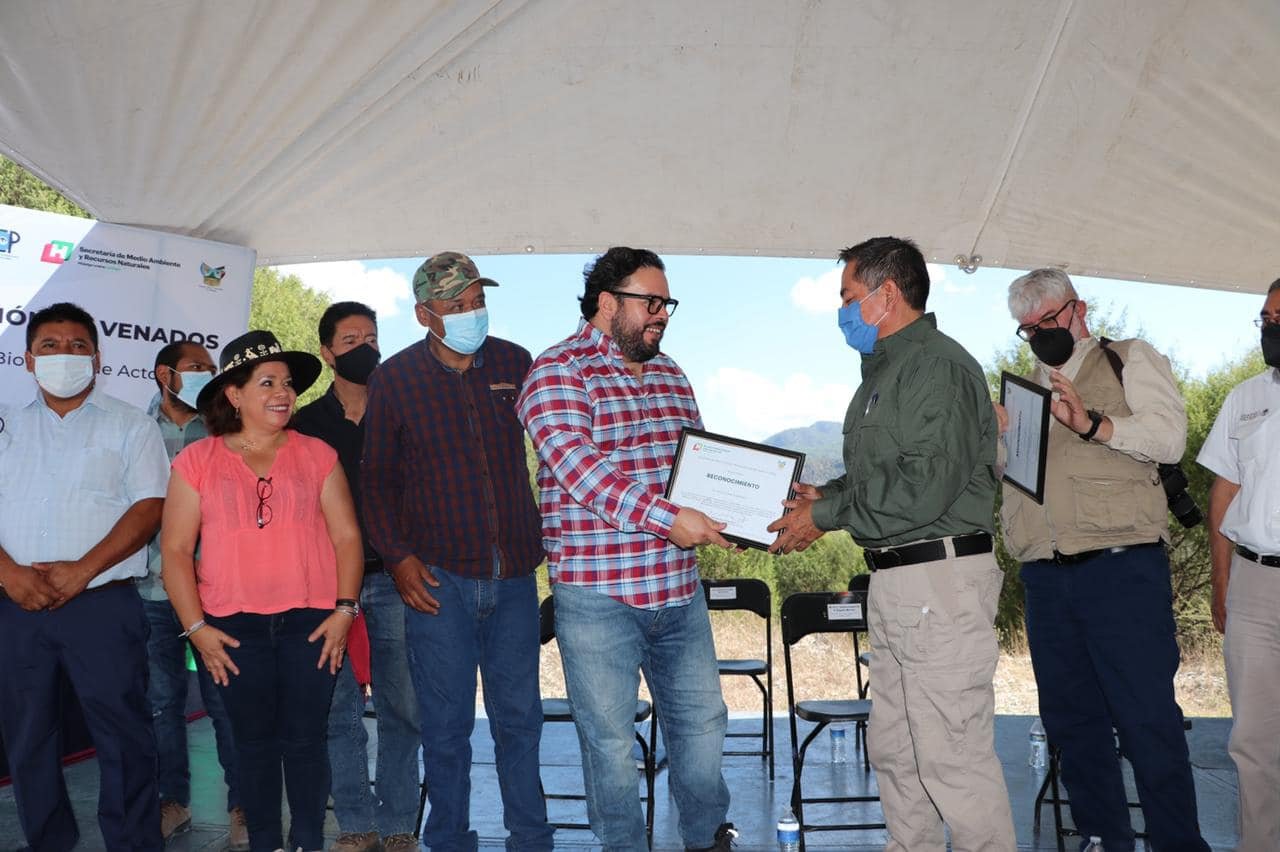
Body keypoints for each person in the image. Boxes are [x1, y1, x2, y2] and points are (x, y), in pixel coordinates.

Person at [768, 237, 1015, 851]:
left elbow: (924, 484)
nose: (843, 311)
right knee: (898, 756)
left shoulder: (937, 365)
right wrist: (822, 492)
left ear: (888, 294)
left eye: (849, 297)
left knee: (953, 763)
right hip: (901, 583)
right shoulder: (889, 368)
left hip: (941, 582)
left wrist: (826, 514)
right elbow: (888, 470)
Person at [518, 247, 738, 852]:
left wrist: (750, 510)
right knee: (610, 741)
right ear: (608, 303)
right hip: (597, 597)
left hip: (676, 589)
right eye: (650, 302)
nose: (662, 314)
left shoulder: (670, 373)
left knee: (702, 726)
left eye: (666, 303)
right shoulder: (557, 371)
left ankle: (705, 839)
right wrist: (670, 519)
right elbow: (580, 473)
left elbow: (700, 465)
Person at [997, 268, 1208, 851]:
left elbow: (1169, 439)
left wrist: (1091, 422)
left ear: (1078, 309)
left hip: (1120, 569)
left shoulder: (1129, 358)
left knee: (1146, 722)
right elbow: (1013, 473)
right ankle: (1102, 840)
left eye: (1048, 321)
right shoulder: (1022, 391)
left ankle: (1177, 845)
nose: (1040, 335)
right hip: (1044, 574)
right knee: (1073, 725)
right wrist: (991, 442)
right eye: (1026, 328)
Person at [362, 252, 553, 852]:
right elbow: (374, 482)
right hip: (437, 582)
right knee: (444, 730)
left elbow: (554, 444)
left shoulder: (515, 363)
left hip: (516, 579)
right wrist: (397, 558)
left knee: (520, 723)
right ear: (425, 314)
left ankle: (531, 840)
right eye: (456, 305)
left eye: (477, 302)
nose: (473, 314)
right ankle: (448, 840)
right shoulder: (393, 380)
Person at [160, 330, 364, 852]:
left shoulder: (317, 454)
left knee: (306, 743)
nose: (283, 393)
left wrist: (345, 610)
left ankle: (308, 843)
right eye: (267, 381)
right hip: (230, 630)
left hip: (313, 624)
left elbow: (346, 537)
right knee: (250, 746)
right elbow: (177, 553)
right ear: (234, 393)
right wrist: (197, 630)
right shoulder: (197, 461)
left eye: (288, 383)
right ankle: (266, 843)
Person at [0, 302, 169, 851]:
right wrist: (8, 574)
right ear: (28, 361)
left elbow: (149, 507)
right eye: (50, 346)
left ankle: (133, 843)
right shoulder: (5, 428)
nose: (64, 356)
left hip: (102, 604)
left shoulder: (132, 425)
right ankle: (48, 841)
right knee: (27, 738)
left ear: (98, 359)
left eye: (77, 346)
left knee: (123, 736)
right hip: (17, 605)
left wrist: (82, 571)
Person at [294, 302, 421, 852]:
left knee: (402, 707)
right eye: (349, 340)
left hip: (397, 579)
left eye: (371, 337)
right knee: (337, 709)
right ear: (327, 352)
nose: (364, 348)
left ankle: (397, 826)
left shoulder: (406, 413)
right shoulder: (302, 425)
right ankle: (356, 824)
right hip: (327, 585)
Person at [141, 340, 247, 848]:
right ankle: (172, 801)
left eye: (211, 368)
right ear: (166, 375)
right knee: (161, 703)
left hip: (218, 590)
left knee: (225, 703)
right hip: (150, 587)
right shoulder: (135, 430)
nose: (207, 375)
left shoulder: (225, 432)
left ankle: (242, 805)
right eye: (196, 368)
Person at [1197, 278, 1280, 852]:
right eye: (1266, 319)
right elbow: (1223, 494)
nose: (1271, 329)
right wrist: (1221, 584)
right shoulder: (1245, 397)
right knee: (1253, 743)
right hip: (1253, 586)